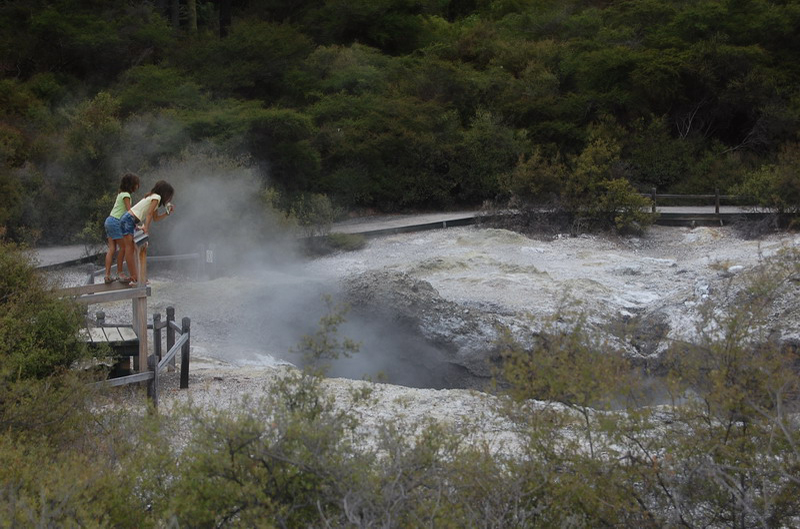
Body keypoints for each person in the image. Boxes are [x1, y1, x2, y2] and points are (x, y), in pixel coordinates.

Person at [119, 180, 175, 287]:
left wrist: (166, 214)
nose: (169, 199)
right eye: (169, 196)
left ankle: (139, 277)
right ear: (164, 193)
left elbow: (155, 218)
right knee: (129, 249)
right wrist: (146, 228)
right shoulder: (157, 197)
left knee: (134, 248)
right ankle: (135, 278)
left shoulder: (154, 199)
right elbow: (149, 214)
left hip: (129, 220)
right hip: (129, 220)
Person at [103, 173, 140, 284]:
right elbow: (129, 212)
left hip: (109, 220)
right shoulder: (126, 195)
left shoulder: (120, 194)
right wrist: (135, 224)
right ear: (132, 185)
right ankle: (120, 273)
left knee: (112, 249)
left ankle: (107, 275)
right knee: (124, 247)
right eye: (137, 184)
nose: (138, 186)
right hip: (116, 221)